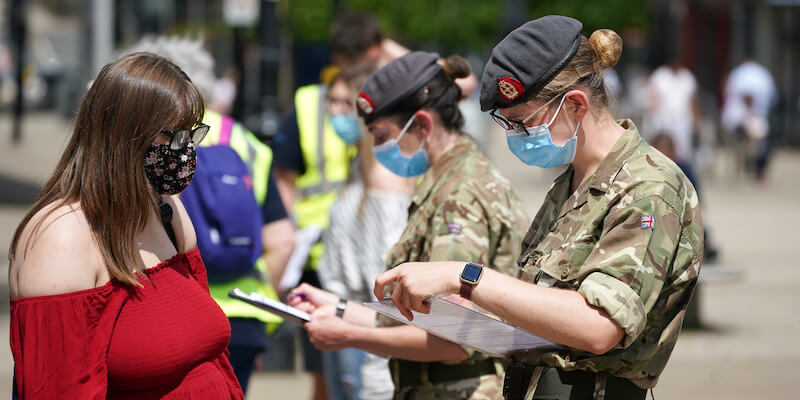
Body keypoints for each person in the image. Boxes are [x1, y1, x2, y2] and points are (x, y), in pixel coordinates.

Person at [372, 16, 703, 400]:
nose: (515, 136)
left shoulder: (648, 187)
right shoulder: (572, 183)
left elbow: (599, 327)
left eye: (522, 124)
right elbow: (535, 307)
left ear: (575, 104)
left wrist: (466, 276)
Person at [290, 51, 529, 400]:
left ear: (422, 124)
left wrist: (349, 336)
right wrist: (337, 307)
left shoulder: (459, 193)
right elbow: (419, 318)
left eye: (382, 134)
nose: (376, 147)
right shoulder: (444, 181)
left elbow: (455, 337)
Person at [8, 52, 243, 399]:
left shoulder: (165, 208)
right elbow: (58, 386)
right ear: (125, 136)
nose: (186, 150)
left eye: (191, 134)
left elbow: (210, 355)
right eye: (173, 137)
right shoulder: (61, 235)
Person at [122, 36, 295, 394]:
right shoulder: (244, 141)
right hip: (242, 313)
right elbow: (281, 240)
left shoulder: (146, 137)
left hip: (167, 322)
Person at [316, 63, 414, 400]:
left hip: (363, 318)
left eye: (346, 104)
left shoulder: (385, 177)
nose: (335, 112)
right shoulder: (358, 166)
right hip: (339, 308)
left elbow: (386, 266)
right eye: (332, 101)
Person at [721, 56, 777, 183]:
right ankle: (752, 163)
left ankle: (756, 166)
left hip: (751, 123)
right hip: (739, 124)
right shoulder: (759, 75)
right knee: (753, 139)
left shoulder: (738, 74)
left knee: (763, 142)